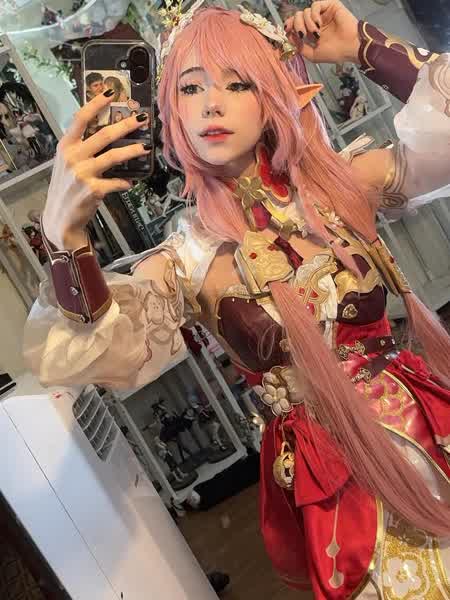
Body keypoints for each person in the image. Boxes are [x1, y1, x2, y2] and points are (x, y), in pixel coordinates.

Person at [25, 1, 450, 598]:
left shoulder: (340, 185)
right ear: (170, 109)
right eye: (190, 87)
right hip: (335, 475)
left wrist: (364, 43)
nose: (211, 104)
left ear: (272, 94)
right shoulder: (186, 259)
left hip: (425, 426)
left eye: (236, 82)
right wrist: (64, 240)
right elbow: (90, 350)